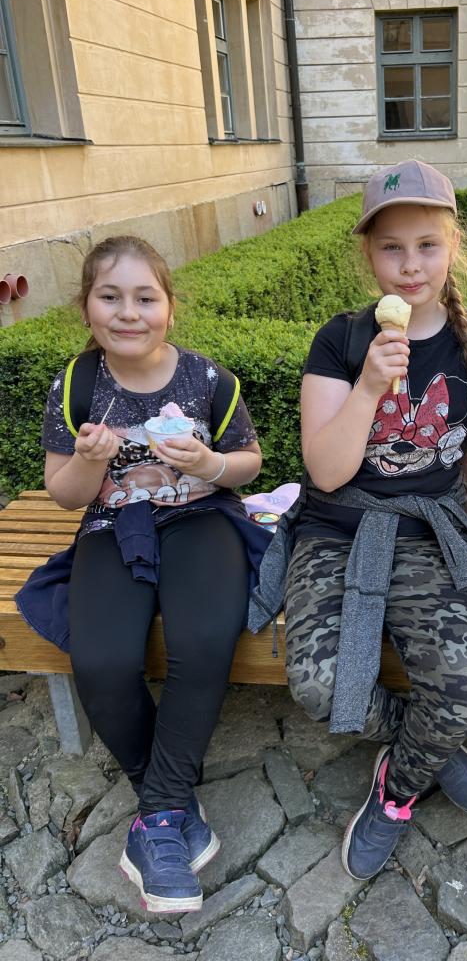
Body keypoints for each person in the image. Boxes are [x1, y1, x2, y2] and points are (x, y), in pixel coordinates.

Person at [16, 236, 270, 914]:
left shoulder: (208, 381)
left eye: (145, 297)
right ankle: (172, 800)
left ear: (169, 307)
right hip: (112, 528)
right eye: (110, 296)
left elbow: (249, 460)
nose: (129, 313)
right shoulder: (76, 386)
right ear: (86, 308)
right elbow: (65, 495)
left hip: (202, 519)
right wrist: (90, 461)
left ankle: (157, 816)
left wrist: (209, 465)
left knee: (204, 641)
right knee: (101, 660)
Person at [280, 159, 467, 880]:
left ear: (453, 247)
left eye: (427, 245)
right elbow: (325, 472)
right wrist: (369, 387)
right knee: (319, 685)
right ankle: (429, 743)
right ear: (368, 256)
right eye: (391, 248)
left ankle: (399, 786)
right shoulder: (340, 340)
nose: (410, 265)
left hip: (427, 533)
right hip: (336, 530)